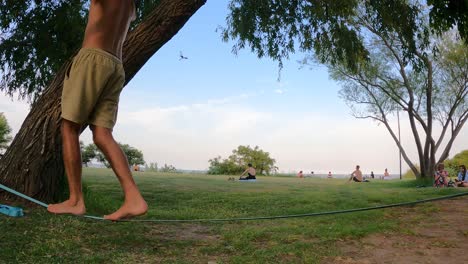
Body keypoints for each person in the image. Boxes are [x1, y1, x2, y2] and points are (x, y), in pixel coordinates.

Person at [47, 0, 148, 221]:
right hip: (116, 65)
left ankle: (75, 201)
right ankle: (133, 198)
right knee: (103, 135)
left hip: (93, 58)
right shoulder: (130, 7)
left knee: (69, 128)